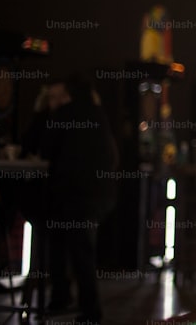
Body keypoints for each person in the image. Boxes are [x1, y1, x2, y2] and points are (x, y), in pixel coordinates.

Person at [41, 74, 118, 324]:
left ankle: (72, 301)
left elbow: (44, 150)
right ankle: (81, 305)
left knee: (65, 244)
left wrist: (42, 112)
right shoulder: (98, 114)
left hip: (74, 196)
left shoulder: (64, 115)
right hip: (99, 195)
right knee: (82, 250)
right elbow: (112, 156)